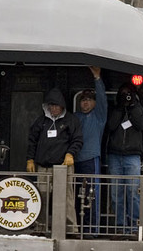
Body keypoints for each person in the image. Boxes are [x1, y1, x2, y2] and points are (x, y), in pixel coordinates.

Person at [27, 88, 83, 232]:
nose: (53, 108)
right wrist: (30, 159)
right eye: (51, 105)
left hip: (63, 166)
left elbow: (77, 140)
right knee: (41, 197)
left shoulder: (71, 120)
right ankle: (41, 227)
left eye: (56, 105)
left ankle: (70, 228)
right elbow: (32, 140)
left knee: (66, 197)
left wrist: (70, 154)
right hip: (43, 166)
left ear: (62, 106)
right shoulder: (41, 121)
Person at [106, 83, 143, 233]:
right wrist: (120, 106)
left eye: (128, 93)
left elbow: (142, 123)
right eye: (123, 93)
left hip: (133, 156)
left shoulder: (139, 109)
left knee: (133, 192)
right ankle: (120, 226)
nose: (126, 96)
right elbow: (110, 126)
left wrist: (133, 105)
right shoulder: (115, 110)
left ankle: (134, 226)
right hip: (115, 156)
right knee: (116, 193)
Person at [74, 66, 108, 234]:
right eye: (82, 100)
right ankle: (77, 227)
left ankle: (92, 229)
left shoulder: (99, 116)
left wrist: (97, 79)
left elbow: (102, 99)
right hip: (74, 161)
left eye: (88, 100)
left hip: (91, 159)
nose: (85, 103)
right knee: (76, 195)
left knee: (91, 195)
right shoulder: (75, 117)